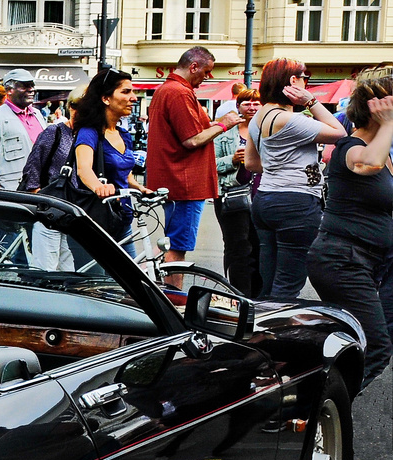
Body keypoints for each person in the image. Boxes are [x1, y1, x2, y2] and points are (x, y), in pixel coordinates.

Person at [309, 68, 393, 389]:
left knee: (354, 341)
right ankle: (321, 407)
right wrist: (388, 125)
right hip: (341, 261)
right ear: (378, 107)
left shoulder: (384, 154)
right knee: (376, 347)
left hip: (365, 262)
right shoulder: (350, 147)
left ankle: (318, 399)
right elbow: (365, 162)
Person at [245, 58, 346, 300]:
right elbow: (339, 133)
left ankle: (259, 330)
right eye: (305, 79)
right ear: (293, 81)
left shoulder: (258, 117)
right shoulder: (290, 119)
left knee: (268, 278)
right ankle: (274, 334)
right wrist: (310, 101)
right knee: (288, 282)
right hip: (295, 202)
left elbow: (251, 163)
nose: (306, 83)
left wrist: (279, 163)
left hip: (265, 199)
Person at [145, 47, 241, 278]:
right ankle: (173, 303)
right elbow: (192, 140)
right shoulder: (179, 92)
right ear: (194, 67)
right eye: (207, 71)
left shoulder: (169, 90)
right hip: (185, 183)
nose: (208, 77)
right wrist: (223, 124)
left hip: (177, 180)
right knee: (177, 249)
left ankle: (170, 299)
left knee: (174, 245)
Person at [69, 69, 153, 265]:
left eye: (133, 92)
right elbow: (84, 169)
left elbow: (126, 175)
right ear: (106, 98)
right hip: (94, 220)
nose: (133, 98)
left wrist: (141, 188)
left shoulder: (123, 134)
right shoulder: (88, 132)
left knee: (132, 279)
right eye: (125, 92)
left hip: (121, 217)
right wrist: (99, 186)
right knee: (93, 285)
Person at [22, 89, 82, 271]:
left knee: (67, 269)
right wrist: (37, 194)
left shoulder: (88, 137)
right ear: (72, 108)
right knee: (46, 268)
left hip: (71, 211)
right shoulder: (55, 132)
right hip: (50, 206)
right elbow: (33, 164)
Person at [214, 85, 261, 296]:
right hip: (232, 195)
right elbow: (210, 164)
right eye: (246, 103)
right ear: (238, 106)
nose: (251, 107)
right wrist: (232, 159)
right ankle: (240, 296)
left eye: (256, 102)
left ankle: (259, 297)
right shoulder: (224, 132)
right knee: (238, 248)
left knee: (260, 247)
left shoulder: (268, 130)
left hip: (262, 196)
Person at [0, 69, 41, 189]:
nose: (31, 89)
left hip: (39, 189)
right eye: (25, 86)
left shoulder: (38, 115)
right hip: (12, 189)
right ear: (9, 90)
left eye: (32, 85)